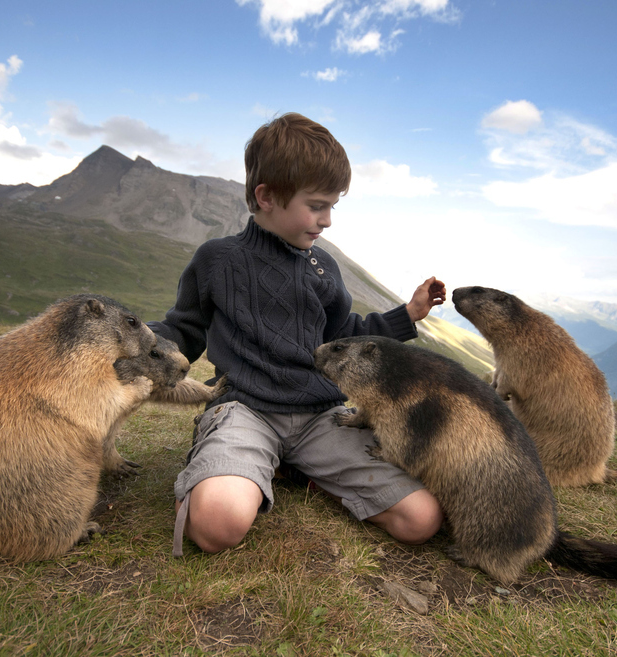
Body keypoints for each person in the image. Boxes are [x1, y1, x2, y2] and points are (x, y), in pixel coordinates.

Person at [148, 112, 446, 555]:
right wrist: (136, 343)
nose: (327, 220)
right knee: (217, 526)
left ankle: (300, 469)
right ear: (266, 196)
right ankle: (225, 469)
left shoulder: (324, 267)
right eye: (317, 205)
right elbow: (183, 329)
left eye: (332, 206)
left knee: (421, 519)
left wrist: (408, 315)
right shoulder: (217, 260)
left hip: (321, 418)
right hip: (245, 410)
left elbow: (348, 336)